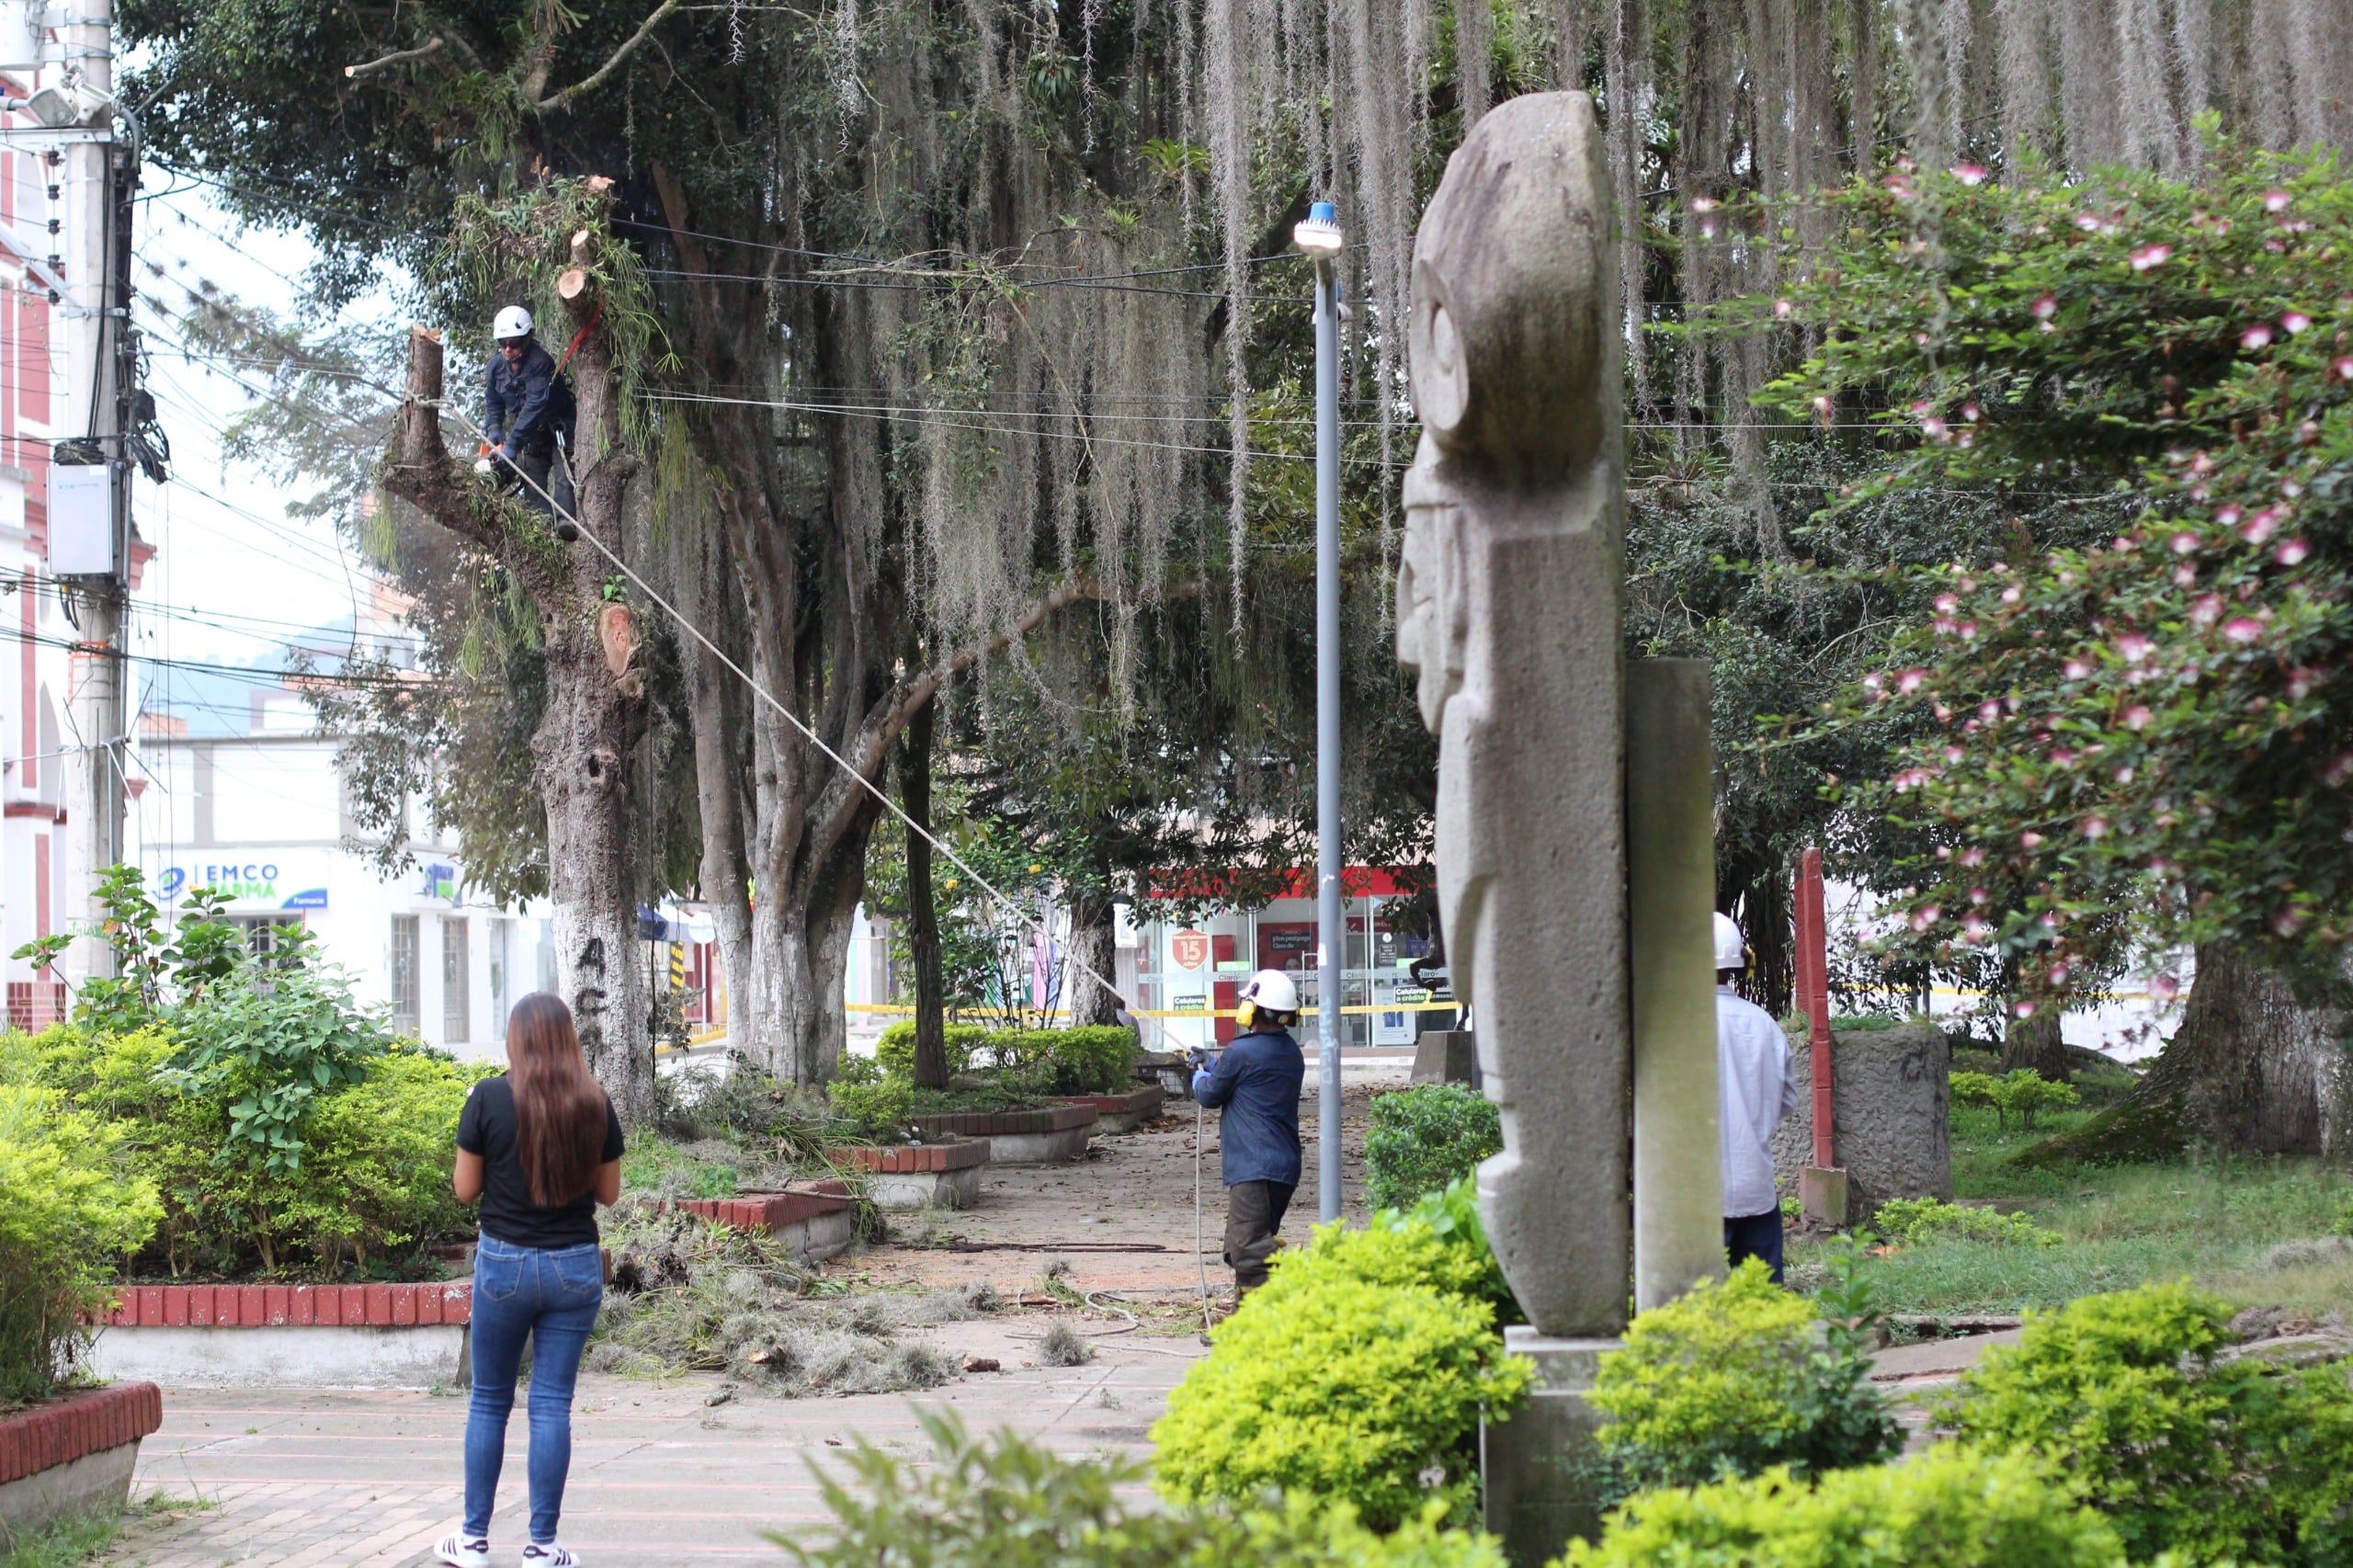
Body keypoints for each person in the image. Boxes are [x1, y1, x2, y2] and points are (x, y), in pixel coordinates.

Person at [434, 994, 624, 1568]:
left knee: (489, 1401)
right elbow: (609, 1194)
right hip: (573, 1266)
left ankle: (472, 1541)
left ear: (515, 1039)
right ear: (569, 1039)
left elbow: (464, 1190)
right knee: (551, 1405)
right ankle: (542, 1547)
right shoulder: (593, 1102)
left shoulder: (488, 1097)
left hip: (505, 1265)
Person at [1191, 969, 1306, 1295]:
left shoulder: (1241, 1052)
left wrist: (1198, 1079)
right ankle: (1246, 1316)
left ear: (1252, 1010)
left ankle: (1296, 1287)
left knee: (1248, 1249)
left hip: (1254, 1167)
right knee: (1242, 1245)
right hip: (1282, 1166)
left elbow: (1211, 1095)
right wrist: (1214, 1064)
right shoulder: (1290, 1052)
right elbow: (1248, 1078)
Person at [1715, 912, 1800, 1284]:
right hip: (1756, 1190)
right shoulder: (1763, 1023)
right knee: (1763, 1303)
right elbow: (1787, 1100)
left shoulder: (1676, 1025)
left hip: (1694, 1198)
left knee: (1692, 1304)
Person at [482, 305, 576, 517]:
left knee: (564, 477)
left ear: (527, 339)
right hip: (532, 436)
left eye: (513, 343)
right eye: (503, 344)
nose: (507, 349)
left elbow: (534, 406)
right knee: (531, 477)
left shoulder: (540, 363)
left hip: (559, 429)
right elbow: (493, 400)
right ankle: (542, 526)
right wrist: (494, 427)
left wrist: (512, 445)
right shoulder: (496, 367)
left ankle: (567, 523)